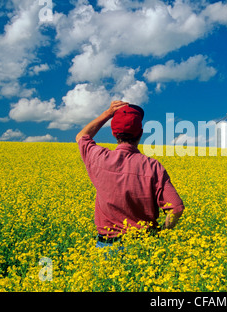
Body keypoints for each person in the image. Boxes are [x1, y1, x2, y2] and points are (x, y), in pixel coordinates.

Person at [76, 100, 184, 249]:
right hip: (143, 246)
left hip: (106, 245)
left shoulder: (98, 158)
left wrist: (108, 113)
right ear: (140, 134)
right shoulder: (152, 167)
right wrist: (162, 233)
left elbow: (82, 136)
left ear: (114, 133)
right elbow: (176, 208)